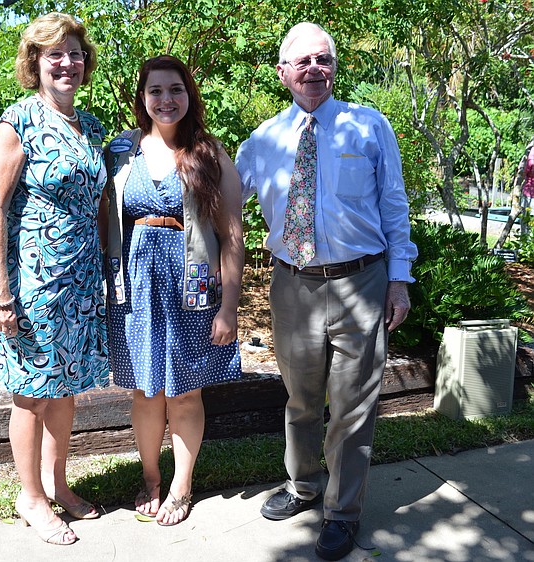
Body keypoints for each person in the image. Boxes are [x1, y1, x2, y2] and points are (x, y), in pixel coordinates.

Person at [234, 22, 418, 561]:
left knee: (355, 408)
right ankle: (304, 486)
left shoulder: (368, 126)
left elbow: (394, 204)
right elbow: (220, 197)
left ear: (334, 68)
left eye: (324, 60)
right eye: (303, 61)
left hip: (363, 279)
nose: (315, 69)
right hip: (293, 286)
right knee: (301, 399)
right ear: (283, 73)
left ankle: (342, 512)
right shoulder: (263, 140)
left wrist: (399, 279)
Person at [0, 12, 109, 546]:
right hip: (32, 281)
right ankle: (30, 497)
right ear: (35, 62)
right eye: (55, 53)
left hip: (81, 280)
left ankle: (60, 485)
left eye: (75, 53)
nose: (67, 63)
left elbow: (100, 204)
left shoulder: (93, 127)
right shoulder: (19, 122)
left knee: (67, 388)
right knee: (31, 392)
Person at [101, 55, 244, 527]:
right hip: (137, 287)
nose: (166, 99)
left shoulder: (208, 152)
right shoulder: (121, 152)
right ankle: (150, 478)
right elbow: (103, 224)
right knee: (145, 391)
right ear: (142, 98)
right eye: (156, 90)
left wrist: (228, 306)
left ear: (189, 95)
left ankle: (181, 485)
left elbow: (232, 236)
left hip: (193, 288)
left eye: (175, 89)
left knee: (185, 394)